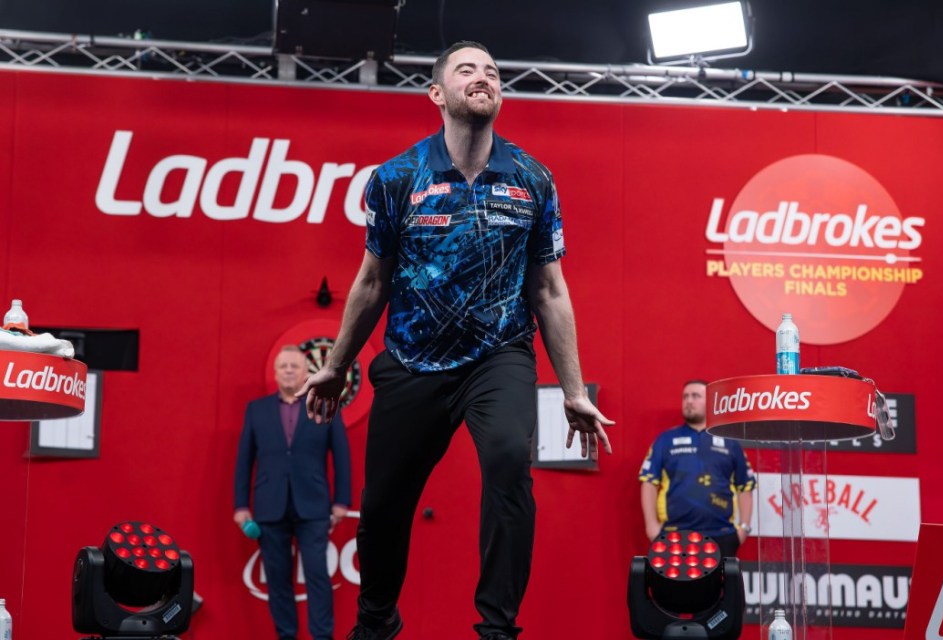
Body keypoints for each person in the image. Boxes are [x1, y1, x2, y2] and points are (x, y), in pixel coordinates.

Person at [296, 41, 613, 640]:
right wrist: (337, 366)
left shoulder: (533, 180)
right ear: (437, 94)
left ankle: (497, 628)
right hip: (414, 361)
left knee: (506, 460)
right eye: (467, 69)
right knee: (385, 505)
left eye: (494, 71)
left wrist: (573, 390)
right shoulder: (396, 179)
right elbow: (371, 283)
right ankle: (377, 620)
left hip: (500, 354)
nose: (484, 77)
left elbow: (549, 290)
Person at [234, 346, 352, 640]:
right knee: (277, 580)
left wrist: (341, 502)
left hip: (313, 507)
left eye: (294, 366)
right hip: (269, 506)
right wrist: (240, 505)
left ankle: (322, 637)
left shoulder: (325, 405)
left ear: (306, 373)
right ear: (275, 373)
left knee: (318, 577)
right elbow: (244, 460)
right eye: (283, 366)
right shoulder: (256, 410)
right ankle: (286, 635)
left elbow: (342, 457)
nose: (288, 370)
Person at [638, 379, 756, 559]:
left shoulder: (730, 442)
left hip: (722, 534)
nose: (689, 401)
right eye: (685, 397)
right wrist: (652, 527)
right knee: (672, 588)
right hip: (674, 534)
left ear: (710, 402)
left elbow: (745, 487)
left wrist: (743, 529)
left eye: (695, 396)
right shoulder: (666, 439)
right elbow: (648, 482)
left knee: (721, 588)